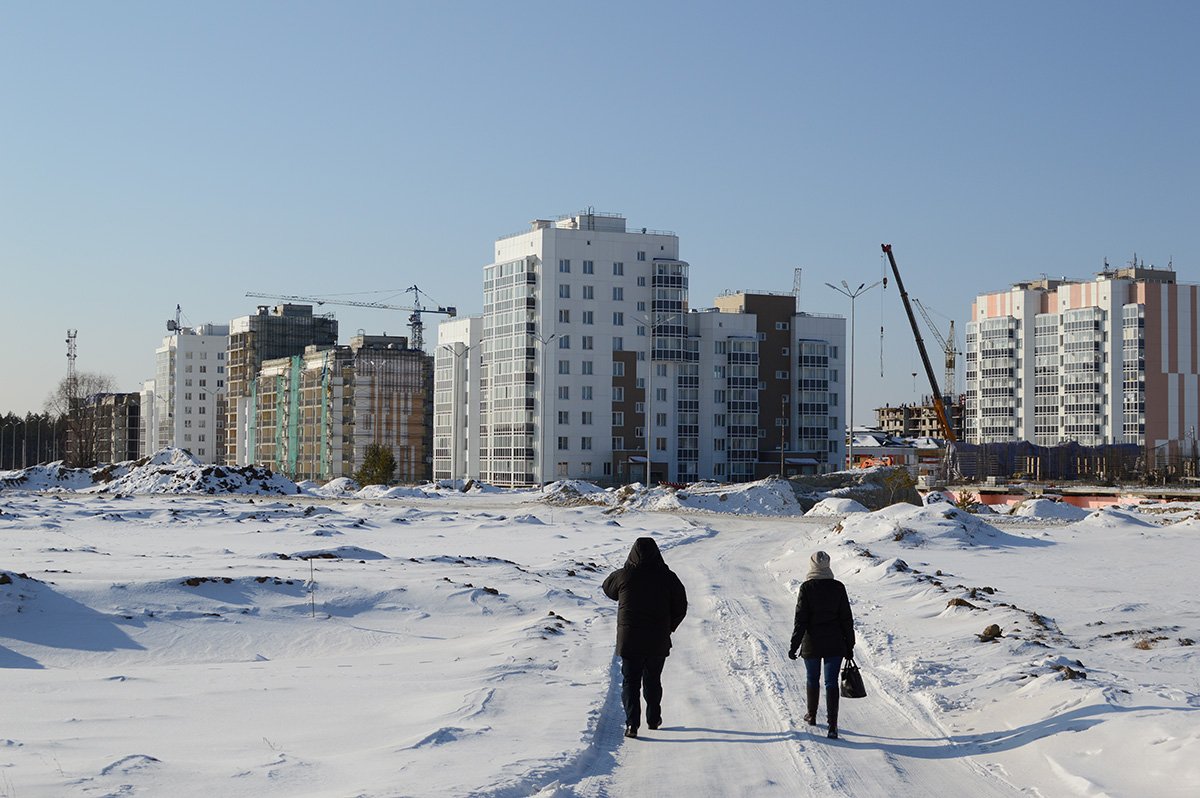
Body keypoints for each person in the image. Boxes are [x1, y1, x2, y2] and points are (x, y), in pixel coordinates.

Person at [602, 537, 688, 739]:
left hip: (629, 639)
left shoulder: (624, 576)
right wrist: (669, 627)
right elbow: (681, 606)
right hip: (657, 639)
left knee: (630, 681)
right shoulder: (668, 577)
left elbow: (607, 588)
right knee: (652, 679)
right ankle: (653, 719)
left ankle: (632, 724)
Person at [788, 550, 855, 739]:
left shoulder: (807, 588)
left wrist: (794, 645)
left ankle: (811, 715)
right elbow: (846, 619)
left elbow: (800, 620)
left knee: (812, 679)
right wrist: (849, 645)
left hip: (812, 642)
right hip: (835, 643)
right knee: (831, 682)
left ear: (812, 565)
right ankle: (832, 726)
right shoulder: (838, 587)